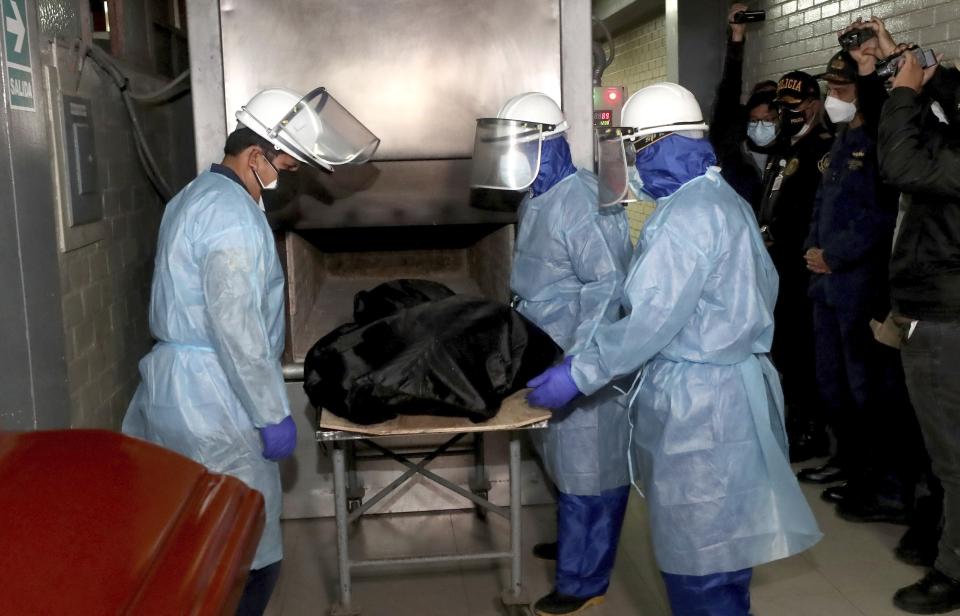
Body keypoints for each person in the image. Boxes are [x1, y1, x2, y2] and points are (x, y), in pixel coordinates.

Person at [526, 82, 822, 616]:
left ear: (658, 144)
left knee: (702, 555)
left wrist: (581, 372)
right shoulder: (713, 196)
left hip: (703, 408)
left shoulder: (687, 218)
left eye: (633, 149)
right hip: (724, 391)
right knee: (720, 551)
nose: (629, 167)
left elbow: (648, 320)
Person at [123, 87, 379, 616]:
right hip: (216, 399)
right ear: (255, 154)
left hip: (179, 390)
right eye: (285, 161)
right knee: (246, 553)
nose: (289, 172)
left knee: (195, 544)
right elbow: (236, 330)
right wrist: (270, 412)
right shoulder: (233, 217)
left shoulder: (195, 196)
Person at [471, 92, 633, 616]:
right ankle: (574, 549)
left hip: (580, 357)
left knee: (592, 470)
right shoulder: (538, 195)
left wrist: (579, 364)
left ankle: (585, 582)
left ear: (550, 144)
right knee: (563, 458)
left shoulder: (585, 201)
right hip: (546, 345)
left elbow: (608, 291)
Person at [802, 43, 910, 522]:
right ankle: (848, 463)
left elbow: (878, 216)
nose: (834, 98)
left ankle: (874, 476)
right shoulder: (842, 140)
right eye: (831, 89)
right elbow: (822, 207)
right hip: (825, 285)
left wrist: (836, 255)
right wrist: (812, 250)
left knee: (866, 388)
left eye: (843, 89)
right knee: (833, 383)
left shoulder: (877, 144)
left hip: (858, 284)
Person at [876, 46, 960, 615]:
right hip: (939, 309)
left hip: (945, 316)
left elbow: (901, 164)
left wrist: (906, 92)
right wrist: (916, 74)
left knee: (954, 459)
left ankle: (954, 572)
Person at [757, 70, 836, 468]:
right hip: (777, 266)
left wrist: (778, 234)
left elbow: (812, 212)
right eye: (781, 108)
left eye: (793, 106)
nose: (785, 114)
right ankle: (793, 421)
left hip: (801, 267)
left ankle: (810, 430)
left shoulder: (821, 150)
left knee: (802, 351)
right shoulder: (782, 148)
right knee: (783, 350)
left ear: (813, 104)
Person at [709, 2, 779, 206]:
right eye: (755, 120)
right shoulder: (732, 150)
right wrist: (737, 37)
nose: (760, 126)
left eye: (768, 120)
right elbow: (729, 88)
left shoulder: (789, 154)